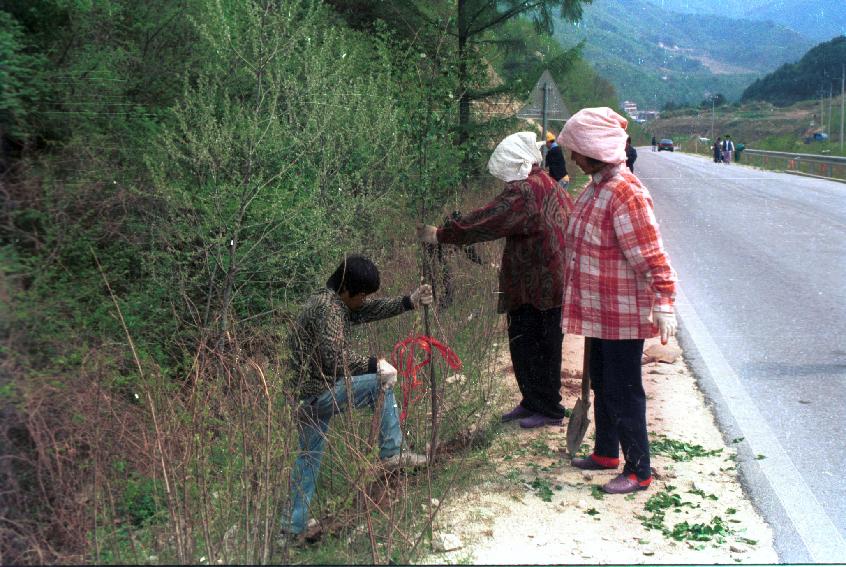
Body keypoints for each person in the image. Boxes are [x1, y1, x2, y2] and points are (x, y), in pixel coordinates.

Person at [556, 108, 678, 495]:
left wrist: (664, 299)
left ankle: (639, 470)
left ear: (595, 149)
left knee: (625, 389)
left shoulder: (626, 193)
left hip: (622, 312)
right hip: (599, 310)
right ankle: (606, 451)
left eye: (578, 150)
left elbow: (651, 254)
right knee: (604, 382)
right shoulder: (596, 187)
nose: (573, 158)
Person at [417, 132, 572, 429]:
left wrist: (442, 234)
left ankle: (549, 408)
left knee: (538, 345)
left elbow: (488, 219)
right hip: (546, 280)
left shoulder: (524, 192)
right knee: (527, 343)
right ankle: (533, 401)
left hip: (539, 284)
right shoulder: (547, 183)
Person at [282, 255, 433, 540]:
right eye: (362, 295)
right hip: (318, 393)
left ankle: (291, 528)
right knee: (380, 383)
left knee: (307, 460)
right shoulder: (328, 310)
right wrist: (376, 364)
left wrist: (407, 302)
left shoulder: (330, 302)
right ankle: (392, 452)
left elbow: (368, 310)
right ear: (347, 290)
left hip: (304, 398)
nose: (364, 301)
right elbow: (333, 359)